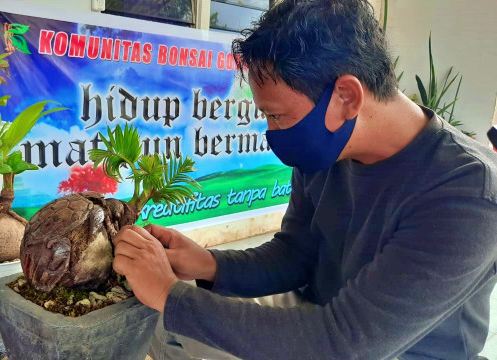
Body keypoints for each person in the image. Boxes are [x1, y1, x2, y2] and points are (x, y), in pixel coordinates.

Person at [111, 0, 497, 359]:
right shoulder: (327, 150)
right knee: (164, 324)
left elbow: (343, 344)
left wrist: (168, 293)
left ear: (346, 96)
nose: (271, 131)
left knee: (174, 307)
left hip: (390, 349)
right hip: (323, 313)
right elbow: (296, 255)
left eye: (277, 116)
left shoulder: (466, 193)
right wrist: (208, 263)